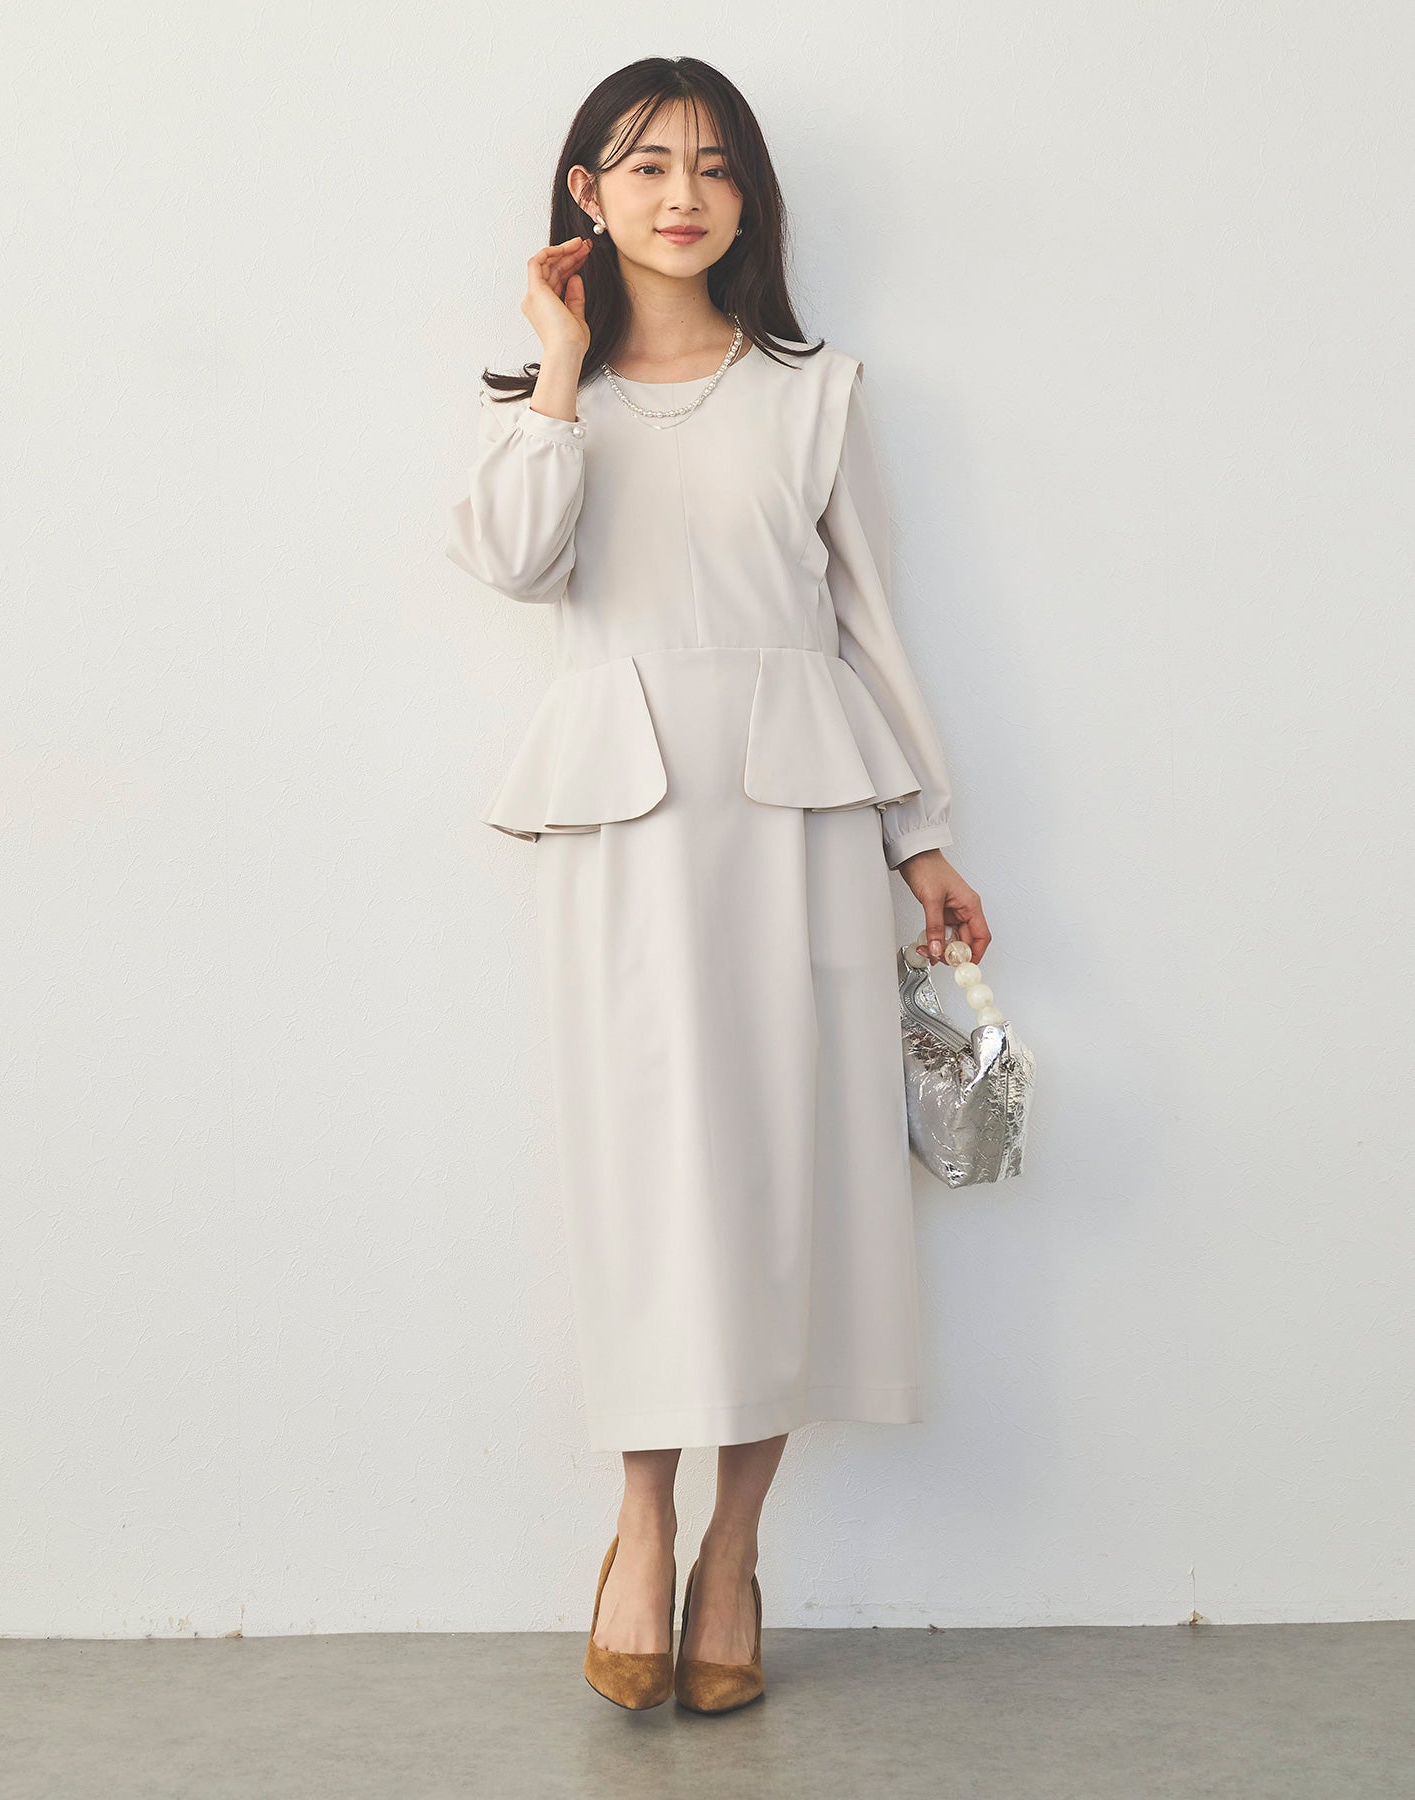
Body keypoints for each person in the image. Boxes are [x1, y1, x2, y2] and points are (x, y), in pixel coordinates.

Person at [446, 57, 992, 1715]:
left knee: (784, 1185)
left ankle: (734, 1550)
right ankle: (639, 1523)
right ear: (586, 194)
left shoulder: (815, 394)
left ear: (750, 196)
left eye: (714, 165)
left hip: (798, 820)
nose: (682, 194)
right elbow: (514, 563)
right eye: (644, 165)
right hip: (623, 828)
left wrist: (921, 834)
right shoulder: (543, 406)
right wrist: (558, 366)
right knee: (643, 1185)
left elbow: (869, 623)